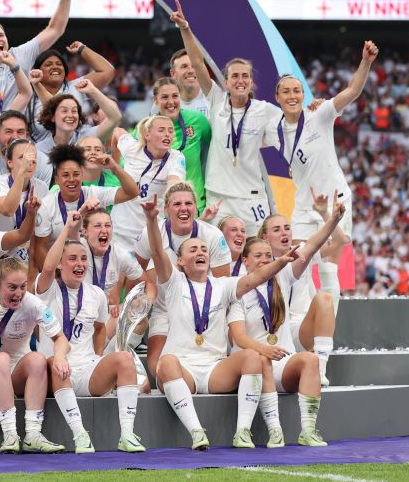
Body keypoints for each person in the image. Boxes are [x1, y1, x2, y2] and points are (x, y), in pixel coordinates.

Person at [143, 198, 297, 450]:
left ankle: (243, 432)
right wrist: (151, 220)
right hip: (184, 369)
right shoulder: (173, 283)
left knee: (251, 357)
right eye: (193, 250)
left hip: (215, 370)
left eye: (204, 249)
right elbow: (158, 252)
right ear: (180, 262)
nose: (201, 253)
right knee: (166, 361)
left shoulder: (224, 285)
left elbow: (255, 277)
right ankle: (196, 432)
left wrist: (280, 261)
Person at [271, 40, 377, 312]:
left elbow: (353, 91)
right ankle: (303, 321)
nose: (293, 95)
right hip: (304, 205)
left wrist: (365, 62)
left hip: (334, 200)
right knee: (298, 263)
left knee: (329, 264)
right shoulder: (272, 128)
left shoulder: (319, 114)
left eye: (297, 90)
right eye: (286, 92)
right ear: (278, 98)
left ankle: (327, 330)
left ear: (302, 94)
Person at [35, 208, 145, 453]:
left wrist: (97, 354)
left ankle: (127, 434)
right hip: (55, 369)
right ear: (61, 264)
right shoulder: (46, 288)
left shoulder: (96, 294)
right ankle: (80, 435)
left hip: (86, 370)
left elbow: (99, 329)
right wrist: (66, 229)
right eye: (72, 259)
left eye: (83, 259)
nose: (80, 263)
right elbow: (47, 267)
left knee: (125, 359)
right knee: (56, 361)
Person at [172, 0, 281, 234]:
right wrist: (185, 29)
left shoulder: (265, 110)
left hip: (251, 197)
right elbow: (198, 63)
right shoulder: (216, 99)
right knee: (216, 254)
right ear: (226, 81)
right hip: (218, 195)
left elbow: (292, 125)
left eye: (245, 76)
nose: (240, 80)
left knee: (256, 254)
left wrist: (314, 108)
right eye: (235, 76)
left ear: (251, 82)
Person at [228, 229, 340, 448]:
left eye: (268, 256)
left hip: (283, 362)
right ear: (245, 260)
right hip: (256, 362)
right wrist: (264, 349)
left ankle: (307, 431)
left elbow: (310, 247)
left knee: (311, 360)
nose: (264, 260)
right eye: (258, 255)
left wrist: (334, 219)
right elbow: (239, 336)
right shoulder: (236, 288)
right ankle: (275, 431)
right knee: (262, 360)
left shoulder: (282, 277)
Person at [132, 182, 232, 385]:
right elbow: (136, 269)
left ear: (196, 208)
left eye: (188, 203)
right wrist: (149, 291)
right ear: (166, 209)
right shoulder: (150, 231)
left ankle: (198, 381)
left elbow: (222, 284)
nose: (183, 208)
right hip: (163, 308)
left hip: (200, 310)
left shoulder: (212, 236)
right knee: (156, 367)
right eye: (177, 204)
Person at [0, 256, 69, 453]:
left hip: (15, 374)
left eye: (23, 287)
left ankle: (32, 434)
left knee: (38, 359)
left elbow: (60, 337)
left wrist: (59, 357)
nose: (19, 293)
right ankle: (10, 434)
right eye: (12, 287)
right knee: (1, 358)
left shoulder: (33, 303)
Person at [258, 197, 348, 386]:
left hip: (301, 328)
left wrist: (326, 215)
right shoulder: (259, 262)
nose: (284, 232)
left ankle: (320, 369)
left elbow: (340, 241)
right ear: (265, 237)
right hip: (271, 332)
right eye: (277, 229)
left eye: (287, 228)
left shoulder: (301, 252)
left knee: (324, 299)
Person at [34, 144, 139, 276]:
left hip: (91, 268)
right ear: (56, 180)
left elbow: (133, 192)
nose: (71, 179)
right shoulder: (47, 204)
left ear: (82, 175)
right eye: (65, 175)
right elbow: (40, 248)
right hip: (59, 269)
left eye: (76, 174)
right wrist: (54, 278)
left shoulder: (93, 193)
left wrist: (114, 167)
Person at [110, 115, 185, 248]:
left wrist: (173, 194)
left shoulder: (176, 157)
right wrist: (114, 167)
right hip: (120, 231)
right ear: (147, 135)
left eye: (170, 131)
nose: (167, 134)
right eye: (161, 130)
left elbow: (174, 183)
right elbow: (117, 132)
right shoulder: (132, 148)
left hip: (150, 233)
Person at [26, 44, 115, 140]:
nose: (55, 67)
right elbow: (55, 109)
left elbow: (107, 71)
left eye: (59, 64)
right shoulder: (28, 96)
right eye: (48, 64)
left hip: (76, 149)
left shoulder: (75, 87)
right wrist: (36, 83)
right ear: (37, 70)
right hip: (41, 152)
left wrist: (82, 49)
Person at [150, 76, 212, 211]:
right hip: (162, 208)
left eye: (175, 96)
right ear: (155, 101)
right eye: (165, 97)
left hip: (195, 204)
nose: (171, 102)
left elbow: (214, 148)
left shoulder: (197, 120)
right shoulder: (146, 128)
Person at [0, 139, 50, 263]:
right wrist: (21, 173)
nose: (29, 162)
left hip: (28, 257)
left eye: (32, 157)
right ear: (9, 162)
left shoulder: (41, 188)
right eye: (23, 157)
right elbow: (8, 210)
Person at [0, 110, 52, 192]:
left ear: (27, 136)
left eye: (20, 132)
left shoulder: (42, 161)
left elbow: (45, 199)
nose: (15, 137)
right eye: (9, 132)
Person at [34, 80, 119, 156]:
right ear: (52, 117)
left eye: (74, 111)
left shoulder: (87, 137)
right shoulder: (40, 150)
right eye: (64, 111)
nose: (70, 115)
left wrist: (93, 90)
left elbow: (115, 118)